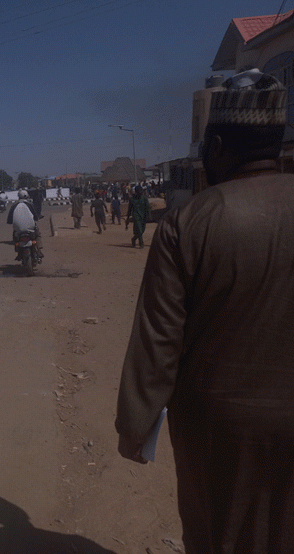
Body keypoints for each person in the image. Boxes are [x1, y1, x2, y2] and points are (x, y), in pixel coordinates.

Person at [115, 69, 294, 554]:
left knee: (218, 534)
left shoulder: (187, 223)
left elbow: (158, 342)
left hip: (218, 433)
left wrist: (135, 426)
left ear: (216, 145)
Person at [7, 190, 44, 260]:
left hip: (18, 229)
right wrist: (37, 218)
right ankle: (39, 249)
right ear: (27, 196)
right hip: (30, 227)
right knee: (38, 234)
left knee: (15, 238)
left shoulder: (14, 205)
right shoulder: (30, 204)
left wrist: (10, 222)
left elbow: (9, 219)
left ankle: (18, 251)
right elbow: (35, 215)